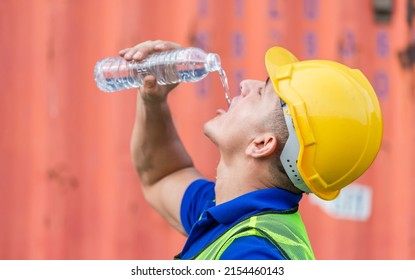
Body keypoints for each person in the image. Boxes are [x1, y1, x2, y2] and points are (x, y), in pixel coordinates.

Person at [119, 40, 383, 260]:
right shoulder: (232, 212)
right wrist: (152, 98)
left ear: (261, 144)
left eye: (261, 92)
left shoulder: (253, 255)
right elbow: (162, 176)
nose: (245, 84)